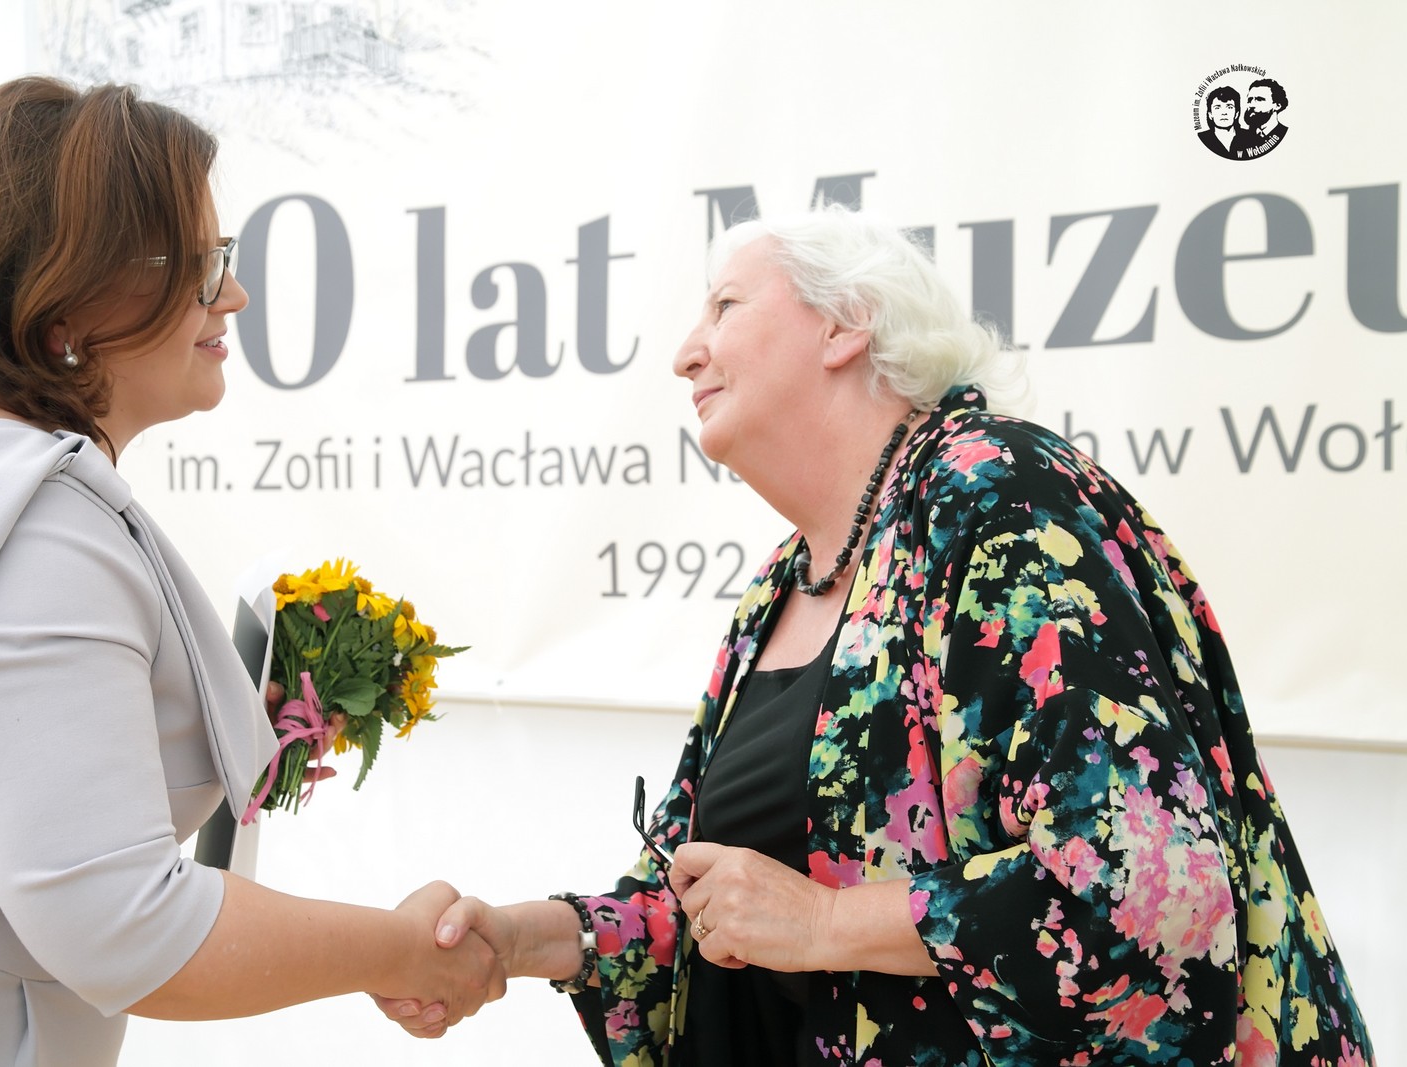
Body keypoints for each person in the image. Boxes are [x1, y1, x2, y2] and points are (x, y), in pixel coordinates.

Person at [375, 207, 1375, 1064]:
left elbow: (1144, 890)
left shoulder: (1001, 497)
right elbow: (704, 905)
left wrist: (824, 922)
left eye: (725, 306)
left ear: (845, 322)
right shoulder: (784, 584)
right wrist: (514, 940)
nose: (685, 352)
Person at [0, 76, 499, 1066]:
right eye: (203, 264)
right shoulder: (32, 523)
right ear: (69, 299)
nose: (233, 296)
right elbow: (123, 923)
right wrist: (399, 949)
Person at [1232, 78, 1289, 159]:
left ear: (1277, 105)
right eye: (1249, 100)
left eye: (1259, 99)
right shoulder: (1240, 140)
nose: (1251, 105)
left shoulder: (1285, 135)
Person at [1198, 84, 1239, 158]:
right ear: (1210, 114)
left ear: (1236, 114)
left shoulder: (1251, 138)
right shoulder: (1202, 138)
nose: (1224, 113)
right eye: (1217, 108)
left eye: (1229, 107)